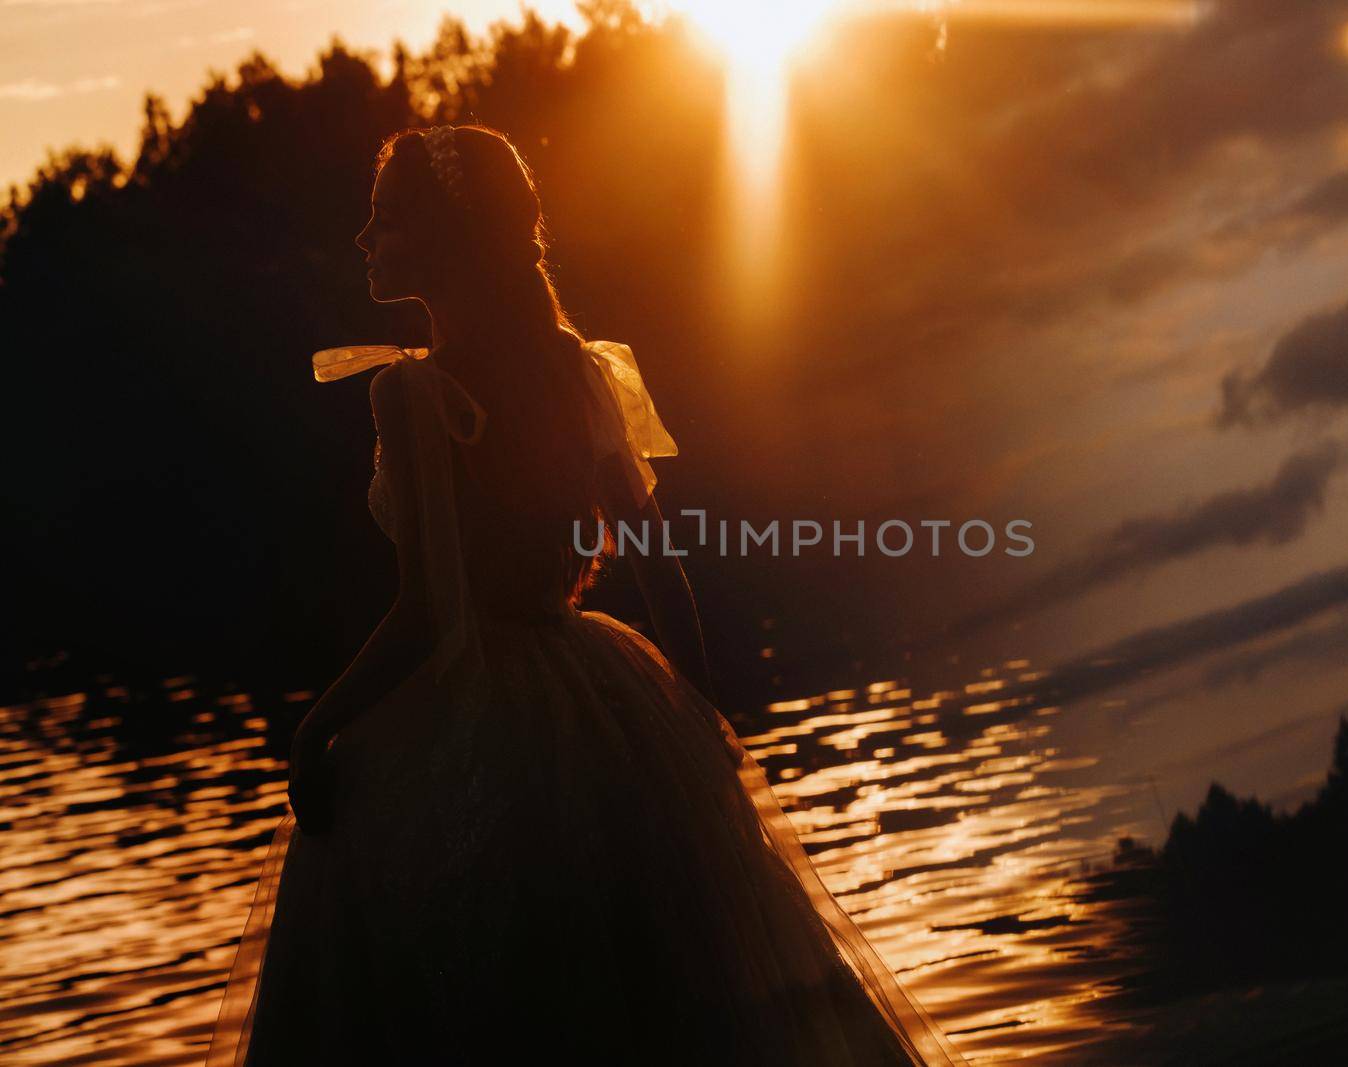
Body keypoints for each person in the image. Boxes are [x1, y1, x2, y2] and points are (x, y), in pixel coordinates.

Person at [205, 123, 966, 1066]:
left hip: (470, 722)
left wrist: (317, 726)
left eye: (387, 220)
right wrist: (697, 723)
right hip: (606, 699)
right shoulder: (578, 367)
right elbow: (659, 565)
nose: (364, 240)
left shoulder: (410, 395)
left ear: (449, 237)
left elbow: (433, 617)